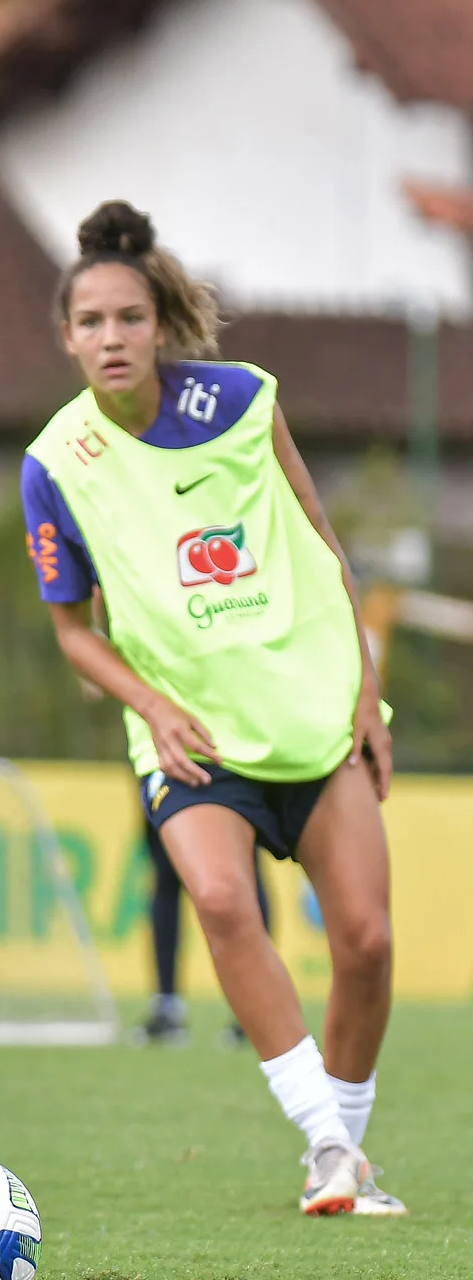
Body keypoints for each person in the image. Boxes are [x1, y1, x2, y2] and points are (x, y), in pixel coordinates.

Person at [21, 200, 400, 1216]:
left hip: (310, 712)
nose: (110, 338)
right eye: (90, 322)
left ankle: (341, 1156)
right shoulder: (54, 465)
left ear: (160, 325)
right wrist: (153, 704)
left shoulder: (240, 401)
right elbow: (72, 631)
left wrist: (365, 694)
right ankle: (322, 1140)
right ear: (65, 338)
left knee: (364, 941)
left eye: (127, 319)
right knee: (222, 902)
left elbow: (323, 543)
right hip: (188, 733)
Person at [137, 818, 270, 1046]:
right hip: (173, 786)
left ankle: (256, 1009)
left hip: (239, 785)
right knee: (167, 875)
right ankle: (166, 1005)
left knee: (245, 872)